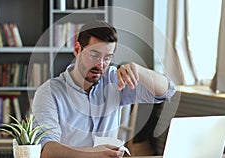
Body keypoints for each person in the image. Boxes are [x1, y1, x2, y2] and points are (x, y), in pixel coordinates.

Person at [32, 20, 176, 158]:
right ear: (77, 49)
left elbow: (167, 90)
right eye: (94, 55)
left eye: (107, 58)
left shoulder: (115, 80)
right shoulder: (49, 93)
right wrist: (93, 154)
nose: (100, 65)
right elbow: (46, 150)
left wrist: (138, 70)